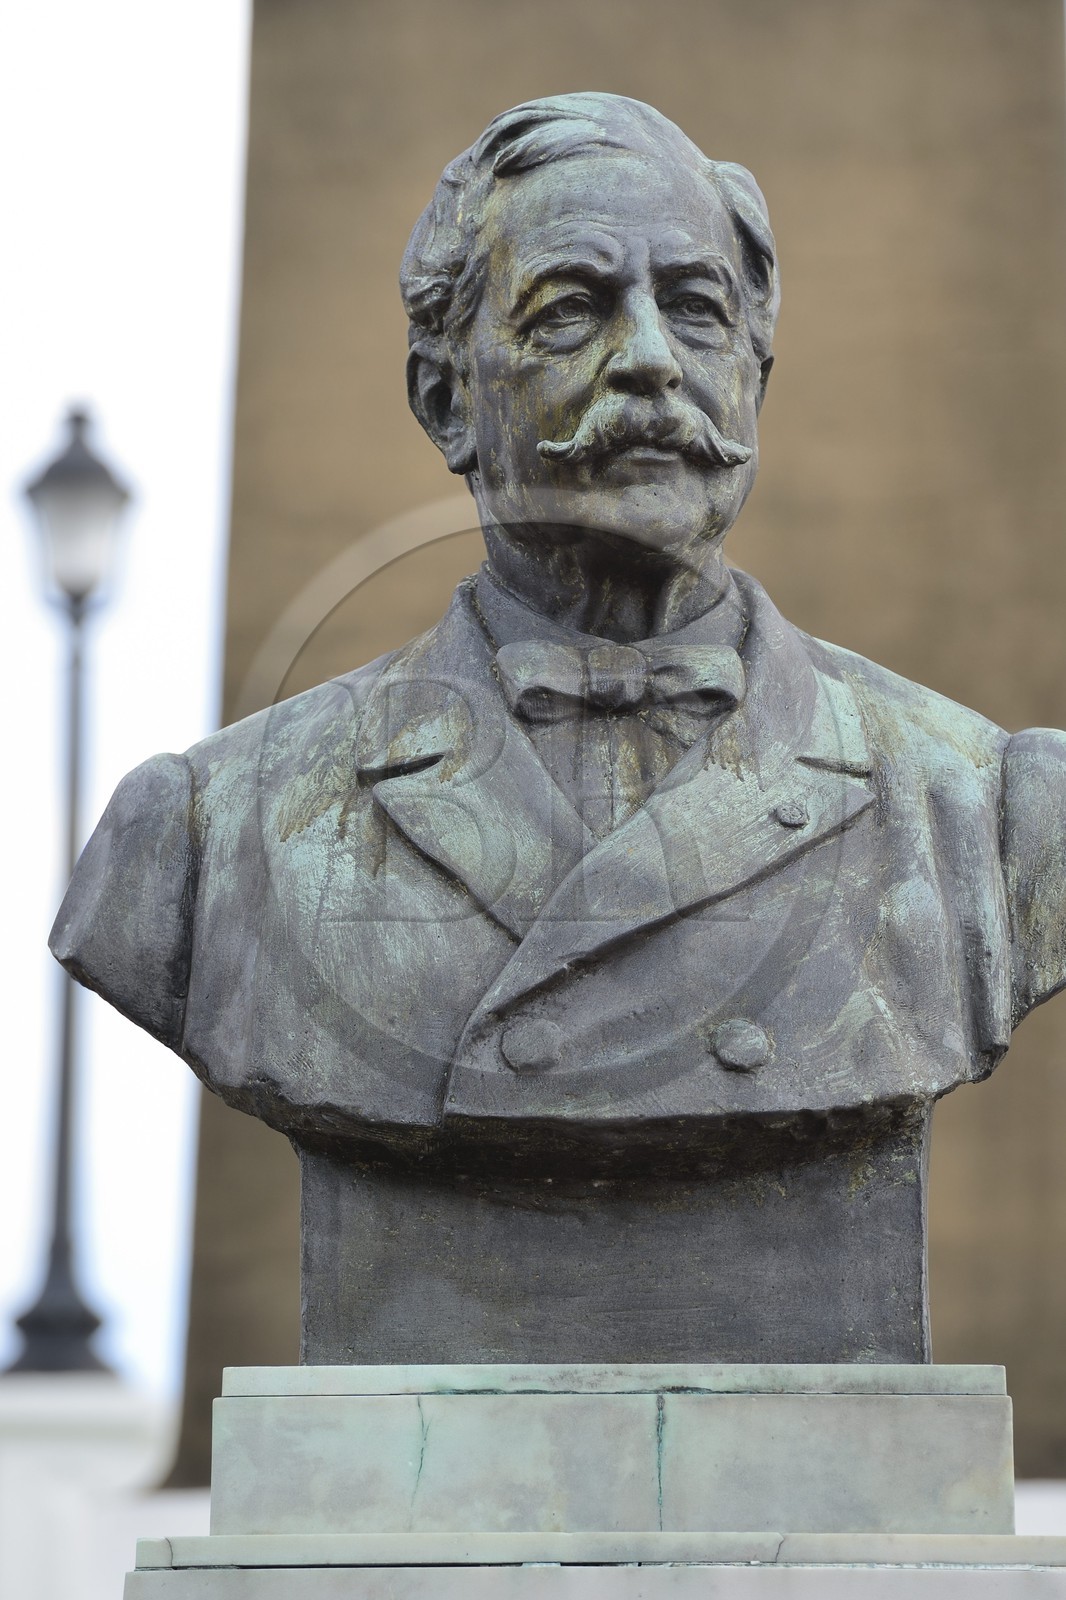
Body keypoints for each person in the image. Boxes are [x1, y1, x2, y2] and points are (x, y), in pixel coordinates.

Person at [50, 94, 1066, 1363]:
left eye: (695, 309)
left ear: (754, 374)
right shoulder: (208, 830)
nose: (649, 358)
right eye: (571, 311)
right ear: (446, 399)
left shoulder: (994, 813)